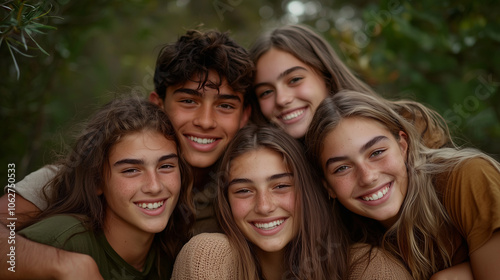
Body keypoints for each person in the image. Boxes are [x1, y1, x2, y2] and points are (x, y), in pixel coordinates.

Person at [0, 28, 253, 279]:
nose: (206, 121)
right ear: (157, 105)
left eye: (225, 106)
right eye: (188, 101)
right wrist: (61, 264)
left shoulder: (251, 186)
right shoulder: (75, 174)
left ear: (244, 117)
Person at [171, 124, 414, 279]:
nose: (264, 206)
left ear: (310, 190)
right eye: (244, 190)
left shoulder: (370, 268)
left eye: (281, 186)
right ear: (226, 201)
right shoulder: (211, 257)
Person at [305, 90, 500, 280]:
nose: (368, 177)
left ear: (402, 146)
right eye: (342, 168)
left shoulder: (467, 176)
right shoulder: (348, 241)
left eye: (376, 152)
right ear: (328, 187)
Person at [18, 97, 194, 279]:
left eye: (165, 166)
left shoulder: (171, 253)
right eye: (131, 170)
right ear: (97, 182)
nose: (154, 186)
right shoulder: (61, 242)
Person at [249, 24, 450, 149]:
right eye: (266, 92)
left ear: (326, 76)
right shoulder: (275, 168)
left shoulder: (406, 127)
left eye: (294, 80)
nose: (282, 99)